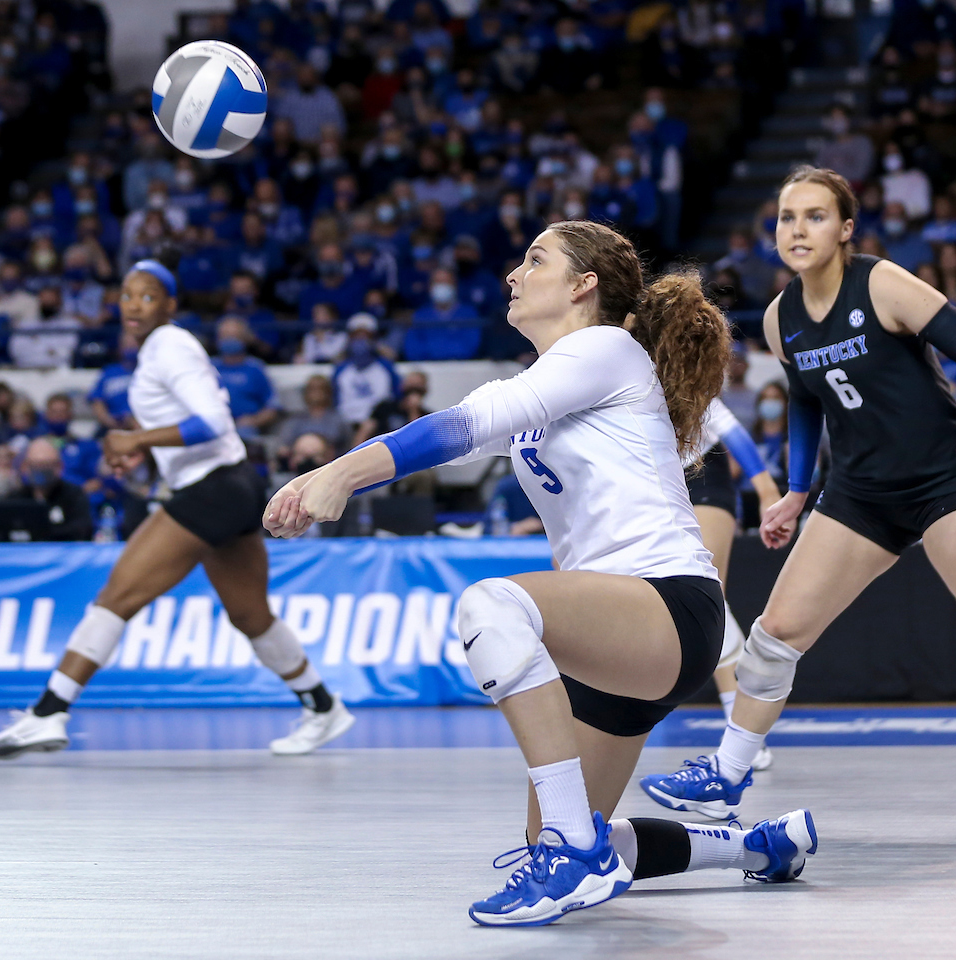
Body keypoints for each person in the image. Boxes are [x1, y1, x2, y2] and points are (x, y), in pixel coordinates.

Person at [264, 221, 817, 926]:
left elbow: (462, 425)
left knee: (492, 606)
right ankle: (758, 848)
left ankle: (570, 850)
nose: (514, 275)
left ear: (584, 286)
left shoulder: (606, 349)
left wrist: (340, 474)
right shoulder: (551, 386)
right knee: (562, 830)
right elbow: (455, 437)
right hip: (616, 634)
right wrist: (335, 473)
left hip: (666, 606)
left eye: (535, 260)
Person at [640, 166, 956, 826]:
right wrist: (796, 490)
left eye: (815, 216)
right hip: (860, 494)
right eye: (787, 218)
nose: (798, 229)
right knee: (775, 633)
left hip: (945, 477)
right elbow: (807, 405)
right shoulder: (783, 316)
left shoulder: (882, 284)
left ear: (845, 229)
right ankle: (728, 773)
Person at [0, 261, 353, 761]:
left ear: (170, 305)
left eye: (148, 296)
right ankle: (323, 706)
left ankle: (48, 713)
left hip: (213, 488)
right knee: (250, 614)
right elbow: (190, 430)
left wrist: (136, 437)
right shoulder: (161, 349)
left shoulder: (168, 346)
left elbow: (212, 422)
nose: (134, 304)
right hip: (232, 483)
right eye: (127, 295)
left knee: (117, 596)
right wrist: (143, 451)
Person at [683, 396, 782, 765]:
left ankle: (743, 728)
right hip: (656, 485)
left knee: (707, 597)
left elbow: (732, 431)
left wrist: (767, 491)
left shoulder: (676, 371)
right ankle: (744, 728)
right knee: (700, 606)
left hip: (703, 474)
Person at [0, 437, 94, 542]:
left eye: (47, 464)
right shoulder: (13, 500)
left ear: (60, 467)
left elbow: (82, 532)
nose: (40, 469)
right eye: (35, 465)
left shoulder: (74, 496)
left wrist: (37, 534)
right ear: (24, 467)